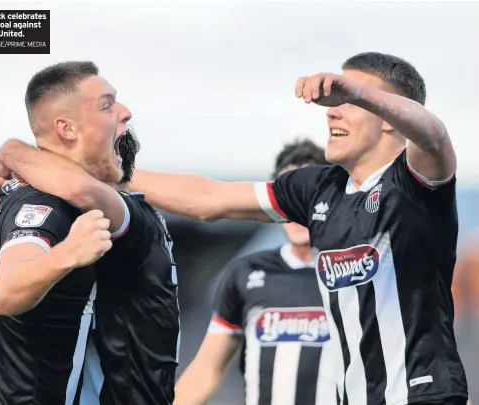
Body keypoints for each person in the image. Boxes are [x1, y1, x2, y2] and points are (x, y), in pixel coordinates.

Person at [128, 52, 469, 405]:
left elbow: (435, 134)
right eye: (337, 101)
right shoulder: (319, 188)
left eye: (347, 102)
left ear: (387, 118)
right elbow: (209, 198)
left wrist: (360, 93)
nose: (332, 110)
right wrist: (116, 176)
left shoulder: (416, 184)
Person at [0, 61, 180, 405]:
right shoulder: (57, 206)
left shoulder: (13, 195)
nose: (124, 114)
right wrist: (68, 253)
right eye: (107, 105)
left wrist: (10, 154)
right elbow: (4, 293)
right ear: (67, 128)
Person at [174, 139, 338, 405]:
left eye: (305, 196)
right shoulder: (247, 274)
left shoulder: (356, 274)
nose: (296, 210)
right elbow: (206, 371)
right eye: (288, 197)